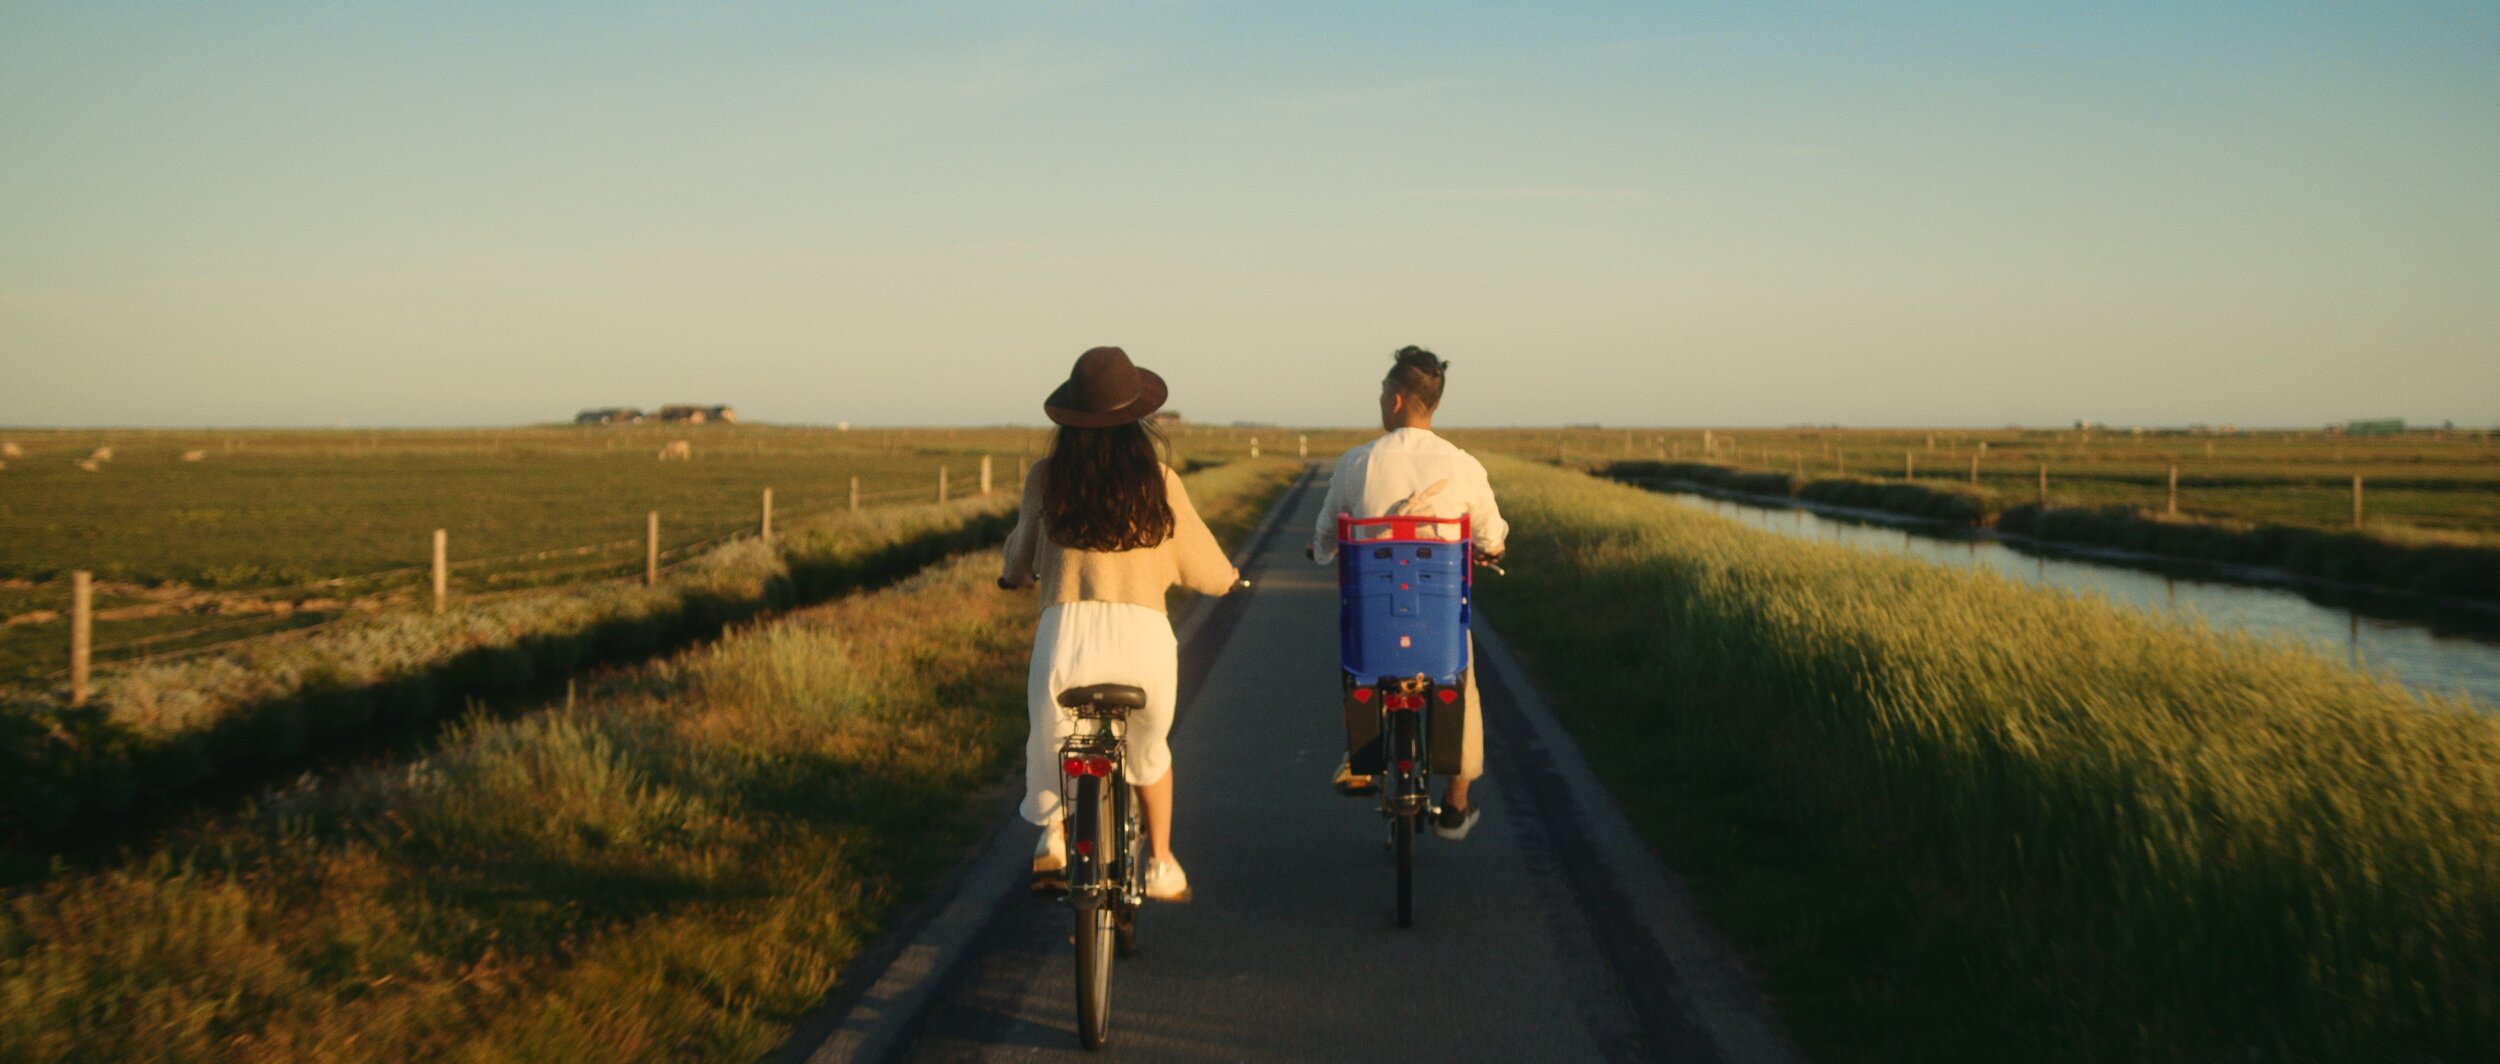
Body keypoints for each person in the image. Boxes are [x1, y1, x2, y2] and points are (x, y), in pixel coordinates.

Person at [1002, 346, 1241, 901]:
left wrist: (1014, 574)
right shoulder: (1159, 480)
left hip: (1065, 640)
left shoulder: (1047, 477)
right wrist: (1229, 578)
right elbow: (1203, 566)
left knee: (1049, 743)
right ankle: (1160, 864)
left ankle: (1054, 840)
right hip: (1144, 647)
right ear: (1137, 416)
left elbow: (1021, 555)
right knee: (1150, 756)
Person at [1310, 345, 1508, 840]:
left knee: (1356, 666)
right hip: (1436, 628)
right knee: (1463, 683)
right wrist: (1491, 551)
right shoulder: (1463, 466)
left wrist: (1319, 551)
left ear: (1397, 400)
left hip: (1375, 624)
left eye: (1382, 391)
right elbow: (1494, 537)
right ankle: (1457, 802)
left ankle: (1361, 757)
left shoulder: (1358, 463)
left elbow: (1325, 537)